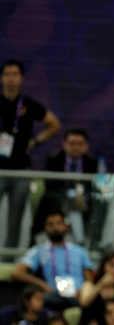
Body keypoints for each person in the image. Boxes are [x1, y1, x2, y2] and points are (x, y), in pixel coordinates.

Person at [0, 59, 61, 252]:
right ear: (2, 77)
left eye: (15, 74)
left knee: (15, 218)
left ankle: (8, 259)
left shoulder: (27, 104)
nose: (11, 78)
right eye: (8, 74)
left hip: (20, 169)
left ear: (21, 78)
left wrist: (35, 141)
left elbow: (54, 123)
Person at [13, 210, 95, 310]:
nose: (55, 228)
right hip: (53, 296)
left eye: (59, 223)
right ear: (45, 229)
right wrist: (43, 285)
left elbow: (89, 279)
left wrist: (84, 291)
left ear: (66, 226)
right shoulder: (39, 250)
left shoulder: (80, 251)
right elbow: (18, 273)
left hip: (79, 295)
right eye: (50, 224)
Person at [32, 128, 99, 247]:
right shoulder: (54, 159)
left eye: (80, 144)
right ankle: (35, 245)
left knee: (96, 206)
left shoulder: (92, 162)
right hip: (58, 200)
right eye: (72, 144)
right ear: (64, 144)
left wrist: (82, 196)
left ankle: (90, 244)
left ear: (86, 146)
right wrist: (70, 196)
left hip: (83, 202)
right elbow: (51, 186)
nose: (75, 148)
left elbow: (94, 187)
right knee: (49, 202)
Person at [79, 252, 114, 325]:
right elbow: (84, 303)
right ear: (103, 265)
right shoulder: (89, 285)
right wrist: (101, 284)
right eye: (112, 265)